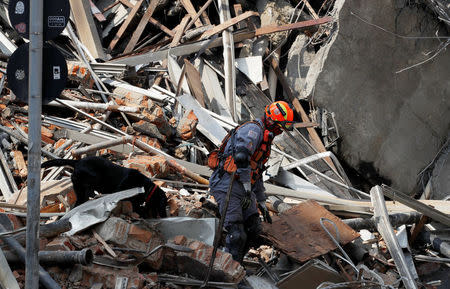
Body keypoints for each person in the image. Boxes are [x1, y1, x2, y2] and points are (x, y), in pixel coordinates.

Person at [208, 101, 295, 262]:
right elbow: (241, 158)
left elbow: (257, 172)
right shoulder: (253, 131)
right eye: (279, 127)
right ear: (271, 121)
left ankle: (237, 265)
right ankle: (229, 272)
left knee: (255, 230)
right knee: (237, 234)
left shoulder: (265, 139)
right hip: (228, 184)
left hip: (244, 187)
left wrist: (261, 201)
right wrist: (248, 188)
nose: (280, 131)